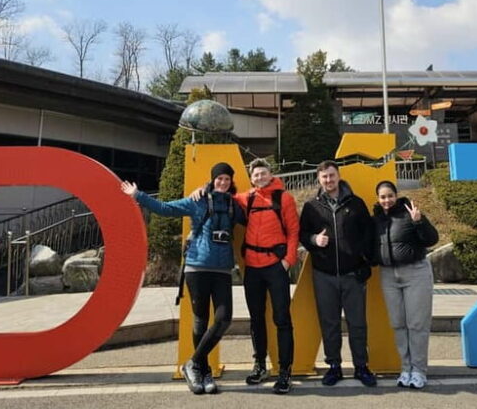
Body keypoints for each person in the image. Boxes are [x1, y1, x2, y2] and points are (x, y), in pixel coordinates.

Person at [121, 162, 244, 395]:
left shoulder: (233, 205)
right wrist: (138, 195)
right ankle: (204, 372)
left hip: (223, 270)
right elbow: (166, 209)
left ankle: (193, 363)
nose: (223, 182)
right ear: (213, 179)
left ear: (231, 182)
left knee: (223, 318)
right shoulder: (197, 200)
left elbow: (253, 211)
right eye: (219, 179)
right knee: (200, 321)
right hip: (197, 268)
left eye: (227, 179)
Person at [190, 157, 299, 395]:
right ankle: (260, 365)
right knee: (256, 319)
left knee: (282, 319)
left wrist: (287, 261)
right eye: (256, 174)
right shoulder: (246, 198)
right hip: (252, 268)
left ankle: (284, 372)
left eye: (263, 173)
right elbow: (221, 194)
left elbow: (293, 231)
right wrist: (202, 189)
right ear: (250, 178)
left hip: (276, 267)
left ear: (271, 174)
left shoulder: (284, 198)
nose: (260, 177)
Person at [299, 160, 377, 387]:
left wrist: (367, 263)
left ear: (338, 175)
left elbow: (370, 235)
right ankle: (334, 366)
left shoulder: (356, 203)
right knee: (329, 323)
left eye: (332, 176)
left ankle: (361, 366)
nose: (328, 180)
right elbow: (302, 234)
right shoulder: (311, 207)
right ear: (318, 179)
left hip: (353, 275)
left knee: (357, 323)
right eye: (324, 177)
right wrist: (314, 240)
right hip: (324, 275)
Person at [372, 180, 438, 389]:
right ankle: (406, 368)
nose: (387, 200)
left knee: (417, 324)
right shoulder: (376, 220)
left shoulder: (409, 212)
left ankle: (419, 371)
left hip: (416, 272)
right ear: (378, 199)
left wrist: (419, 221)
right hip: (389, 275)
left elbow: (431, 239)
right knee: (398, 324)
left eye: (390, 195)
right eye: (382, 197)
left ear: (396, 195)